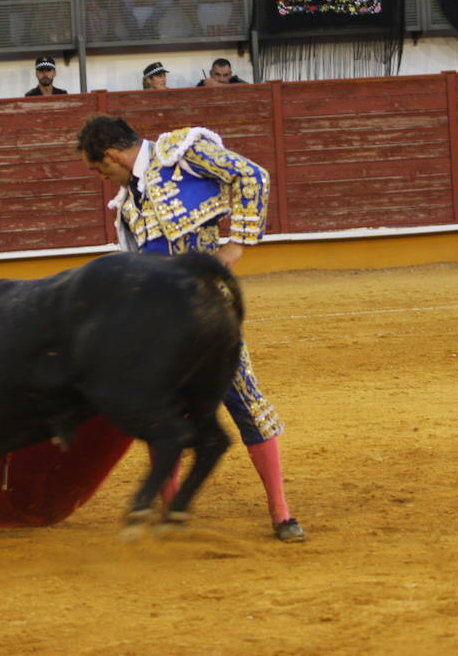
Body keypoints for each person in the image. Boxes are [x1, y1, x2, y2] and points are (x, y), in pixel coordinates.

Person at [74, 114, 305, 543]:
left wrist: (236, 244)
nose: (103, 179)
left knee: (246, 403)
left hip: (208, 313)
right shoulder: (128, 205)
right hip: (159, 324)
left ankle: (281, 512)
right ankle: (170, 510)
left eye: (99, 169)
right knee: (160, 413)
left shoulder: (181, 151)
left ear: (111, 155)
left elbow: (252, 176)